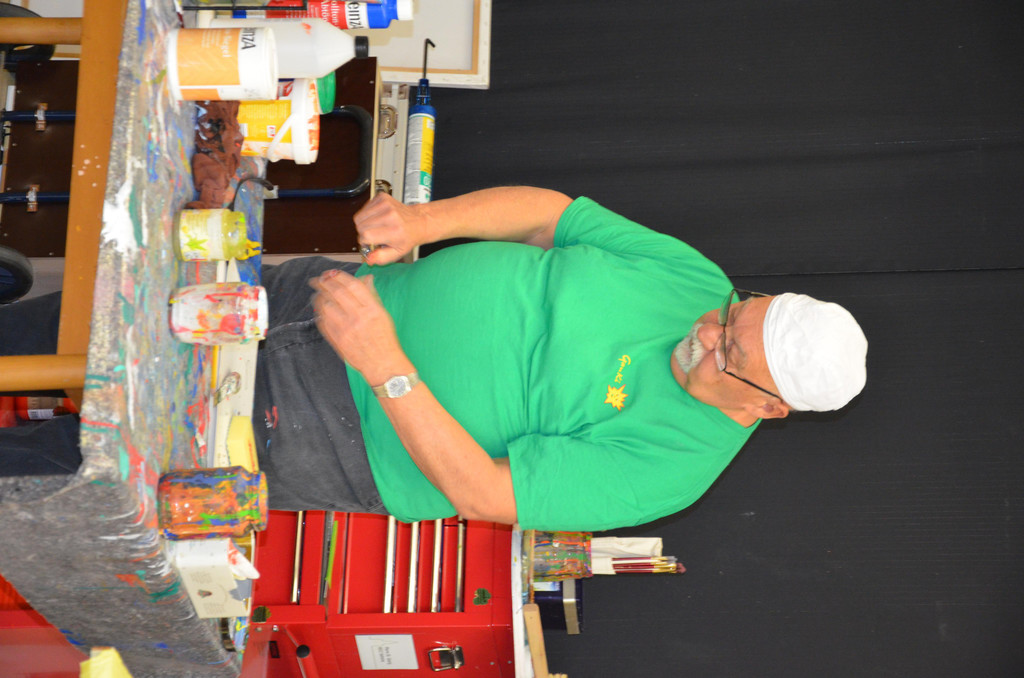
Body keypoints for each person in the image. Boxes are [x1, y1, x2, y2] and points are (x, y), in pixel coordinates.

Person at [1, 187, 867, 531]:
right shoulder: (697, 279)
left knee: (82, 463)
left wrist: (387, 365)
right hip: (325, 294)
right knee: (71, 329)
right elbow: (555, 218)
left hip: (330, 432)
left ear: (768, 405)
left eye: (728, 352)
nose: (706, 331)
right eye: (732, 314)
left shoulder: (673, 470)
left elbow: (484, 493)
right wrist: (425, 222)